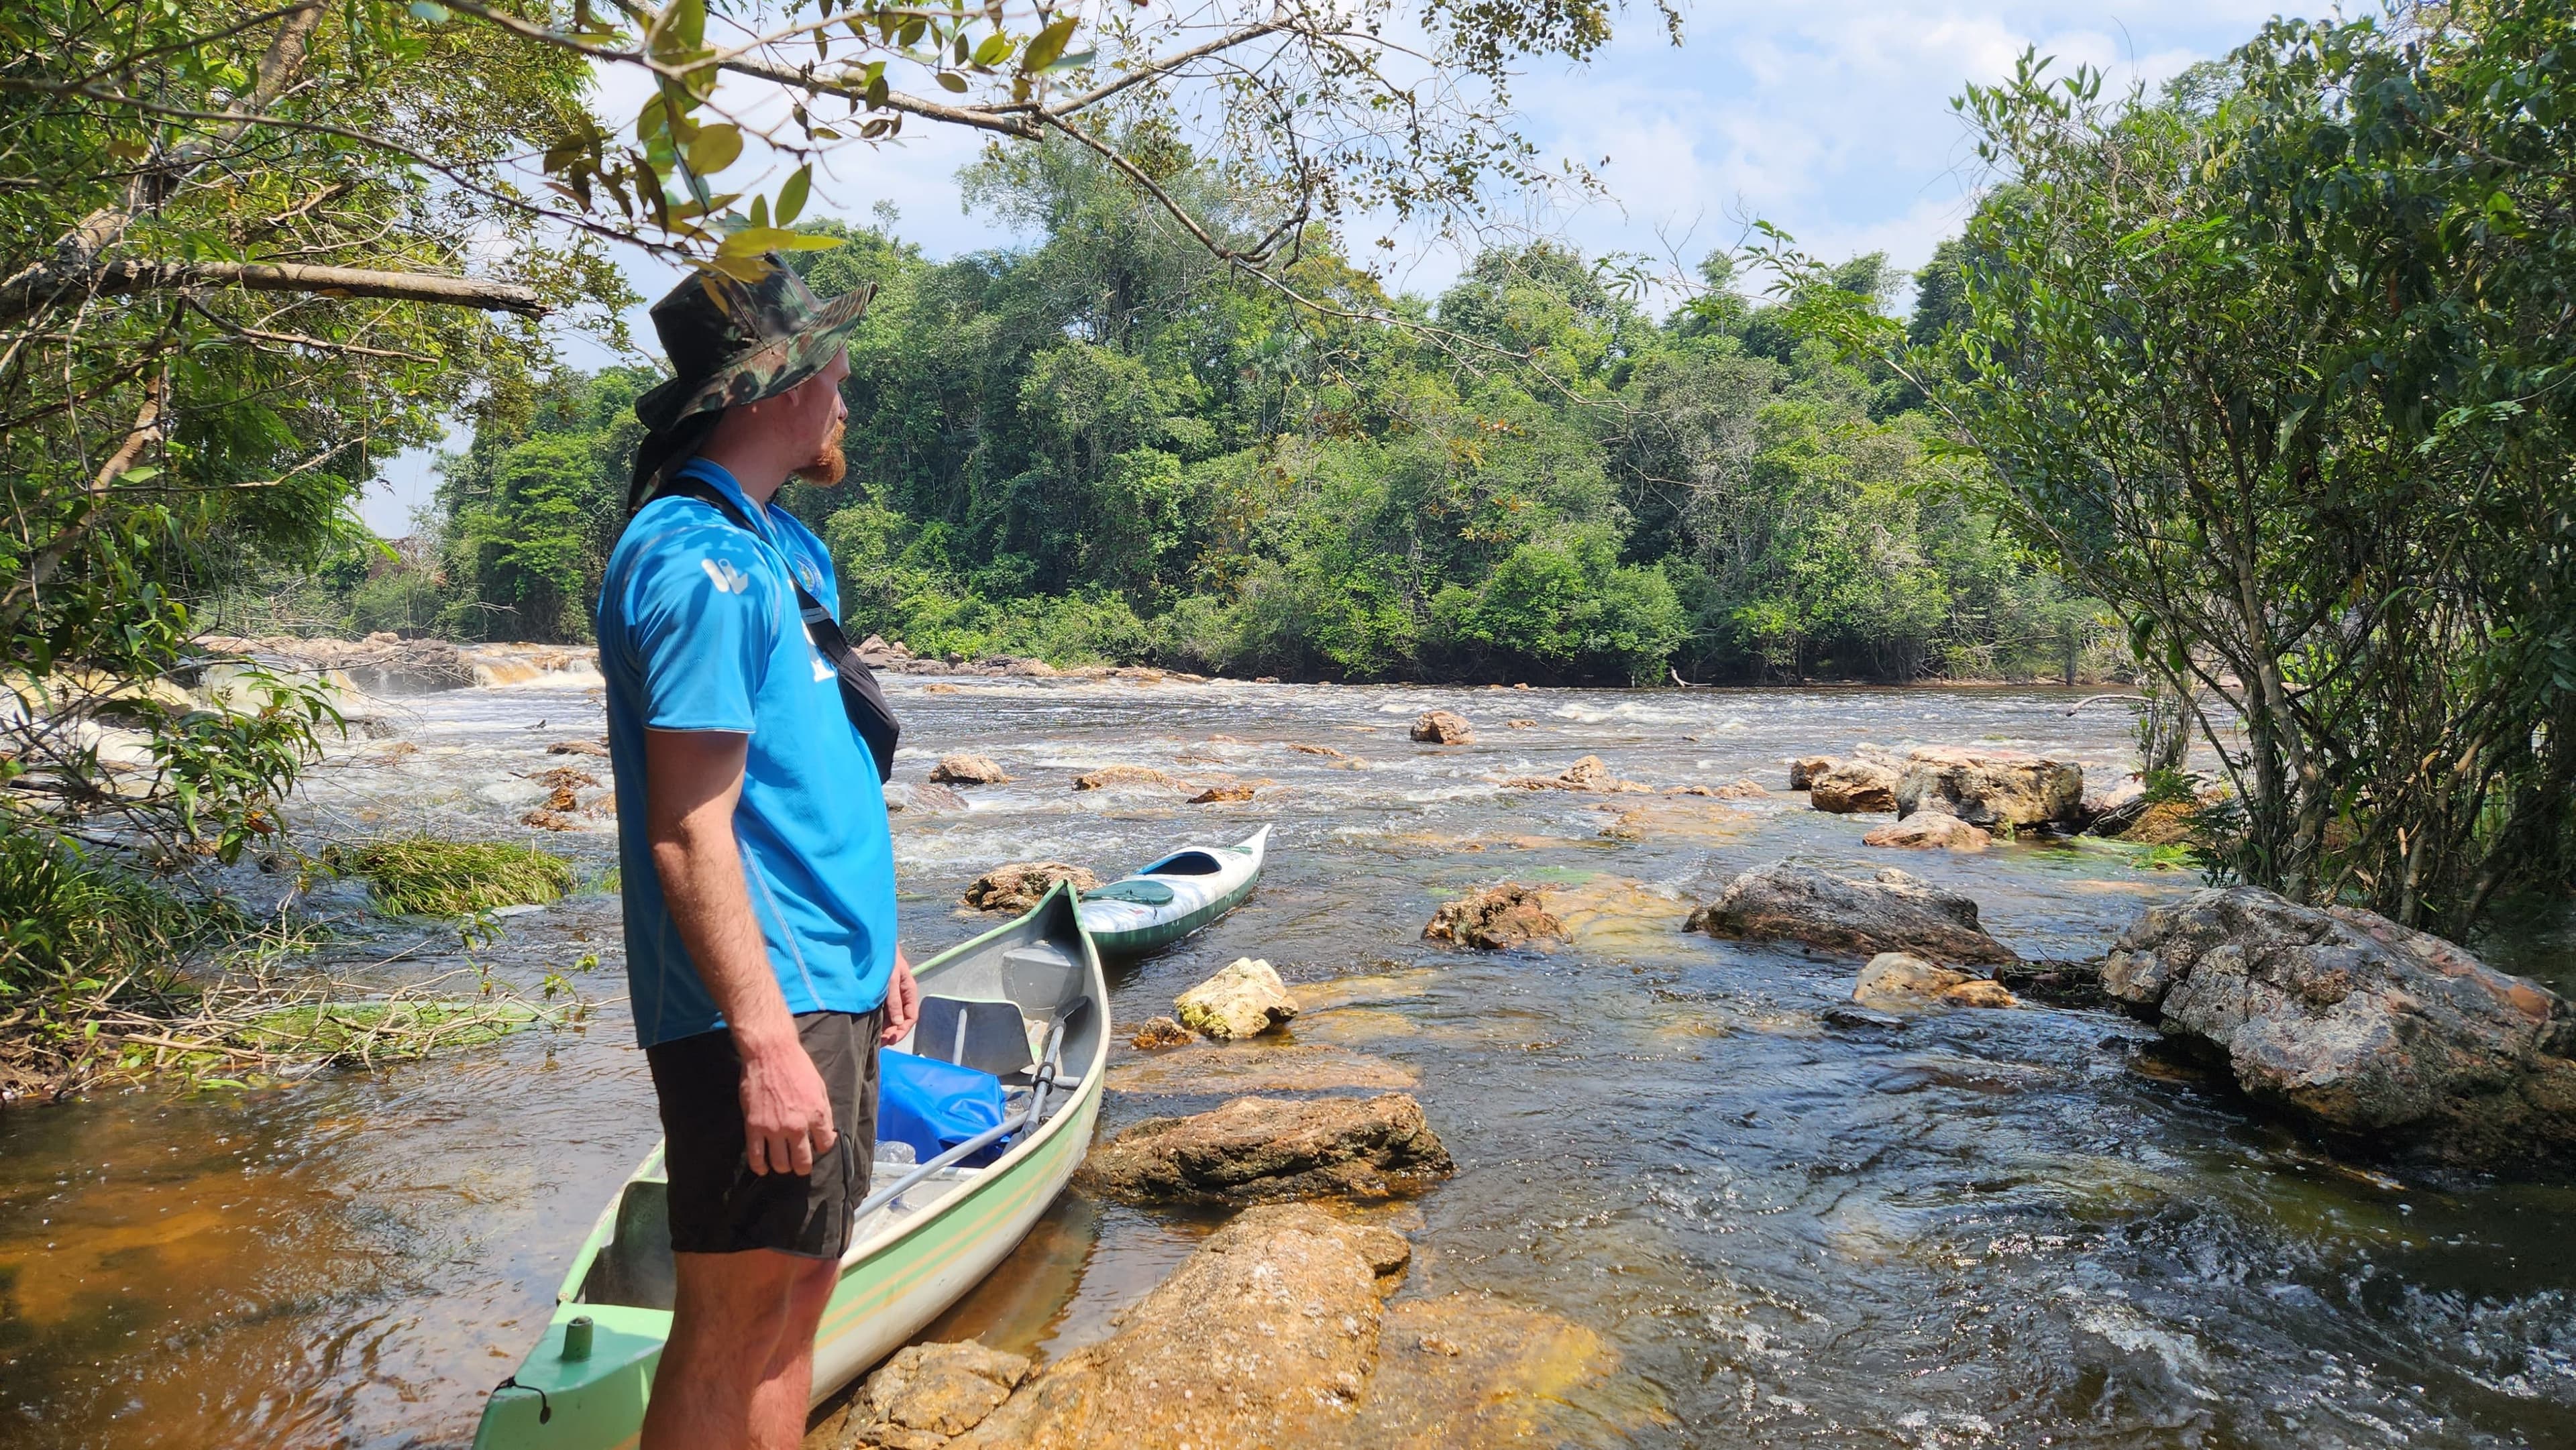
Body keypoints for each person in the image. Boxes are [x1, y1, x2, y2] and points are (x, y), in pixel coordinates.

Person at [596, 260, 921, 1450]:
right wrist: (767, 1041)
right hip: (768, 1008)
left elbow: (807, 777)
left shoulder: (781, 550)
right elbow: (690, 828)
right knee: (731, 1316)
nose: (846, 389)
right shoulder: (696, 560)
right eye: (831, 363)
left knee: (798, 1292)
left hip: (830, 981)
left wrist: (879, 941)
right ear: (777, 387)